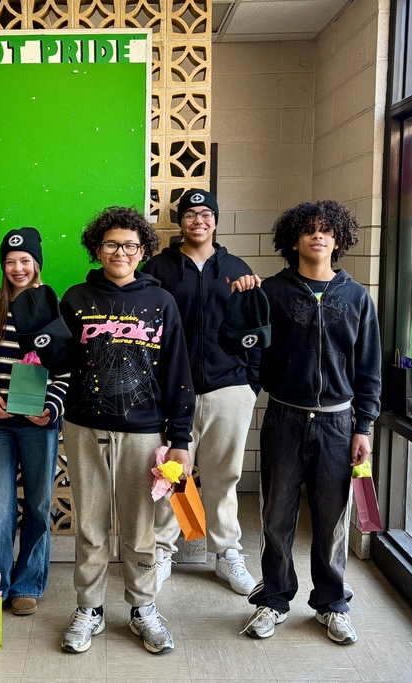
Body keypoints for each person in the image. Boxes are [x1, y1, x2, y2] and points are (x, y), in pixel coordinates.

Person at [11, 206, 195, 655]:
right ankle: (89, 607)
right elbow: (55, 363)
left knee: (140, 529)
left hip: (145, 431)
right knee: (91, 526)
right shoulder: (74, 299)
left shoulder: (161, 301)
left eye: (131, 245)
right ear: (97, 248)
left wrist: (180, 439)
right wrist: (37, 346)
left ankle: (143, 608)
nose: (121, 252)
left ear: (143, 251)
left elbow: (177, 372)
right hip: (84, 425)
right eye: (111, 244)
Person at [240, 200, 381, 646]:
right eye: (308, 230)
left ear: (338, 239)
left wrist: (365, 426)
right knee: (276, 516)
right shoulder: (273, 293)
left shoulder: (357, 298)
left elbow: (369, 368)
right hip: (283, 416)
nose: (317, 236)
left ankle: (331, 603)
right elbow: (250, 353)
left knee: (331, 519)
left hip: (339, 423)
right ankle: (275, 599)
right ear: (294, 240)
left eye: (325, 230)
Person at [143, 188, 262, 595]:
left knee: (223, 476)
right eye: (191, 214)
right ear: (180, 221)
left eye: (206, 213)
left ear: (216, 220)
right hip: (172, 391)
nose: (199, 221)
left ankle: (227, 553)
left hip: (228, 388)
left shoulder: (237, 269)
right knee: (173, 474)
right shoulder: (158, 268)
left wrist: (251, 383)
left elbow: (258, 331)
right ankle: (162, 551)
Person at [0, 227, 68, 617]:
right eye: (10, 261)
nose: (18, 268)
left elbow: (65, 369)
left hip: (38, 422)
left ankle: (28, 583)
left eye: (25, 260)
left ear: (37, 264)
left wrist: (51, 407)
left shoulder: (53, 307)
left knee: (39, 505)